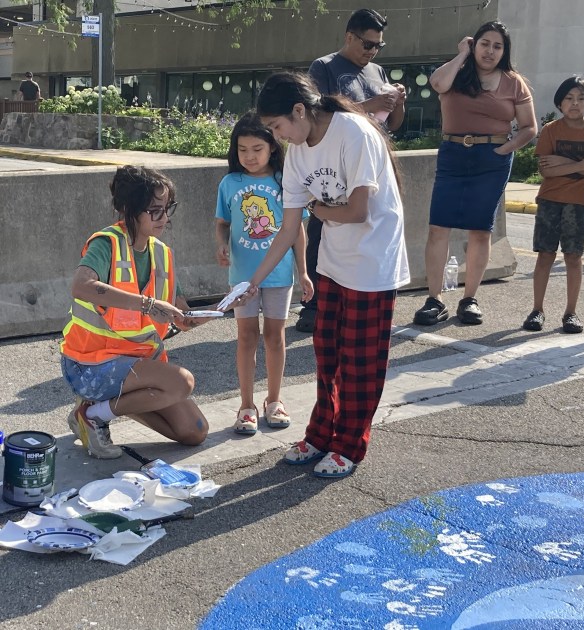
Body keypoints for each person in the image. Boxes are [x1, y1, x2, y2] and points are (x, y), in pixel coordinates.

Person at [244, 71, 409, 478]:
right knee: (328, 353)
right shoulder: (299, 151)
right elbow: (287, 229)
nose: (277, 136)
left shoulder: (353, 133)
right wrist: (253, 281)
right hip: (334, 260)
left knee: (361, 361)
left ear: (300, 111)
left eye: (277, 126)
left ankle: (350, 445)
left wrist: (318, 211)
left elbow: (358, 211)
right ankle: (321, 435)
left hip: (372, 261)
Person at [60, 165, 211, 459]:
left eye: (168, 209)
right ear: (129, 209)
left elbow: (180, 314)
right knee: (182, 382)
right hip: (89, 365)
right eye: (155, 210)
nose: (164, 219)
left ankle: (95, 411)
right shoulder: (107, 243)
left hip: (136, 367)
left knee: (194, 431)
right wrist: (148, 304)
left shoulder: (162, 254)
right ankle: (96, 416)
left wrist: (214, 312)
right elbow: (80, 286)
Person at [413, 21, 537, 327]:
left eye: (497, 46)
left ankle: (469, 299)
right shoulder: (457, 74)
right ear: (473, 44)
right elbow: (437, 83)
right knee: (438, 227)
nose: (490, 51)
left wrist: (503, 151)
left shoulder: (513, 83)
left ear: (504, 51)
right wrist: (461, 55)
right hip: (453, 154)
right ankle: (435, 299)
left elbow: (529, 127)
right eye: (484, 44)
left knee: (481, 230)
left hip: (491, 159)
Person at [296, 8, 406, 334]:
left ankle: (360, 298)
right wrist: (371, 104)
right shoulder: (324, 67)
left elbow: (394, 125)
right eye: (367, 44)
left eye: (378, 46)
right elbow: (318, 111)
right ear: (349, 36)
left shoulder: (378, 71)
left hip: (373, 159)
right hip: (334, 161)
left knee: (369, 229)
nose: (371, 51)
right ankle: (313, 305)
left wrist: (396, 102)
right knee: (322, 227)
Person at [215, 112, 312, 435]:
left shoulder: (285, 180)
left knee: (275, 336)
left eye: (257, 148)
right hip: (242, 276)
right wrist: (221, 244)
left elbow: (297, 230)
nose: (249, 156)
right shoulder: (229, 183)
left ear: (272, 146)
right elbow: (222, 223)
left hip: (280, 275)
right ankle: (246, 404)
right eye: (242, 149)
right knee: (246, 337)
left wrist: (304, 272)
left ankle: (274, 400)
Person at [522, 77, 584, 334]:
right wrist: (581, 165)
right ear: (560, 103)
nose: (575, 103)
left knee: (573, 257)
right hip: (550, 199)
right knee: (545, 255)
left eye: (581, 98)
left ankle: (570, 313)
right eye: (569, 98)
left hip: (580, 202)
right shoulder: (551, 130)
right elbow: (546, 172)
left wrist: (563, 163)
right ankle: (537, 310)